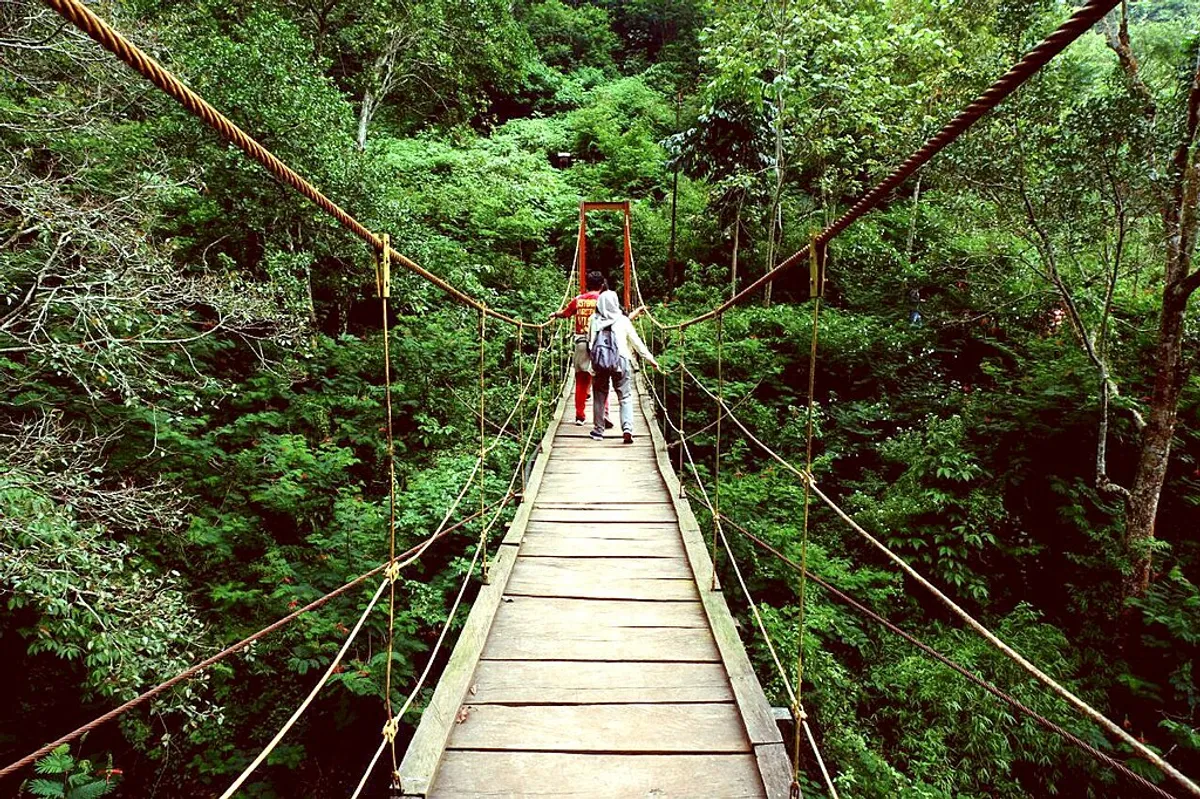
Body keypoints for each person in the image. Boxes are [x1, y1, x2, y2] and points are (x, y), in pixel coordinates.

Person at [587, 290, 659, 443]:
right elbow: (636, 341)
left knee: (599, 396)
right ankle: (627, 428)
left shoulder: (593, 319)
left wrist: (592, 365)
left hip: (600, 362)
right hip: (621, 361)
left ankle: (598, 431)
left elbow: (591, 343)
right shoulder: (623, 320)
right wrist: (650, 359)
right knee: (625, 396)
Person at [549, 271, 611, 426]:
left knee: (581, 380)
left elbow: (565, 313)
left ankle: (580, 416)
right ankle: (604, 414)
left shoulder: (578, 300)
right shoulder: (603, 300)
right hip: (599, 344)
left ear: (586, 285)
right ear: (602, 285)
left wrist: (555, 314)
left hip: (582, 343)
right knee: (602, 380)